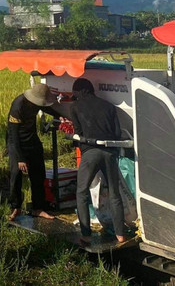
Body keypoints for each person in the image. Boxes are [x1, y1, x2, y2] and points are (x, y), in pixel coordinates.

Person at [71, 78, 129, 244]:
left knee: (82, 192)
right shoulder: (109, 106)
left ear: (78, 92)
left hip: (90, 152)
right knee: (114, 193)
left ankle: (86, 235)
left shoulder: (75, 107)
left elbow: (78, 133)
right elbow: (117, 133)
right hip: (110, 152)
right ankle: (121, 235)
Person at [6, 82, 69, 221]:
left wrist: (61, 116)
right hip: (17, 144)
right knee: (16, 175)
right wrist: (20, 158)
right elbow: (13, 135)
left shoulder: (38, 101)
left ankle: (38, 208)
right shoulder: (18, 105)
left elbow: (50, 109)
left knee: (38, 174)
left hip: (32, 141)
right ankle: (15, 207)